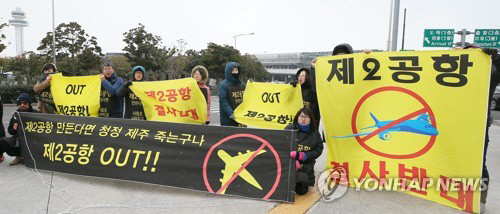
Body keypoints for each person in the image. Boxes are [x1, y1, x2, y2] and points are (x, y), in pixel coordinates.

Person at [463, 45, 500, 213]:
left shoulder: (489, 73)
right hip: (453, 124)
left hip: (478, 126)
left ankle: (481, 200)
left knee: (479, 163)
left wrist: (496, 57)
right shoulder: (451, 73)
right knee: (457, 160)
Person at [286, 108, 324, 195]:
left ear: (311, 120)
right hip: (289, 163)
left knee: (302, 191)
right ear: (297, 117)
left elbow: (319, 149)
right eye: (301, 116)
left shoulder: (315, 133)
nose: (303, 119)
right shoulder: (290, 128)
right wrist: (293, 160)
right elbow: (281, 144)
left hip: (305, 165)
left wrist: (305, 156)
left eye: (306, 117)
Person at [0, 93, 40, 165]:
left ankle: (30, 157)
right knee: (4, 141)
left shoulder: (36, 114)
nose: (22, 105)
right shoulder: (16, 115)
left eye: (24, 103)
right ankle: (18, 157)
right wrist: (14, 128)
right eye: (20, 103)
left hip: (33, 139)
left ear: (29, 103)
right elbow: (10, 131)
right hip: (19, 138)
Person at [218, 62, 246, 127]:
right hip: (228, 119)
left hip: (241, 118)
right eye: (233, 70)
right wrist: (232, 114)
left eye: (236, 70)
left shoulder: (242, 84)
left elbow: (246, 99)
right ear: (228, 72)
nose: (235, 72)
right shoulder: (224, 85)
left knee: (242, 136)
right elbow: (223, 101)